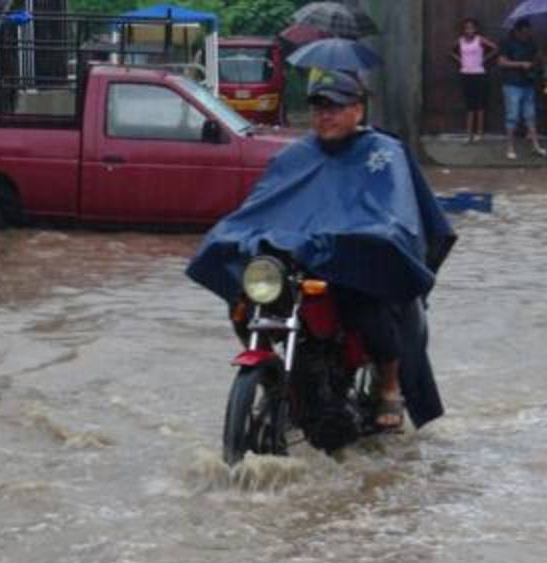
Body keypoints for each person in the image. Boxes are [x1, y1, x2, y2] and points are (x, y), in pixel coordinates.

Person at [186, 70, 457, 430]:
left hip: (355, 263)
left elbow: (396, 214)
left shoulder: (384, 153)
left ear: (358, 110)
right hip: (297, 259)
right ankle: (275, 380)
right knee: (242, 304)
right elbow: (265, 204)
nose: (325, 116)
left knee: (371, 310)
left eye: (335, 108)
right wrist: (236, 233)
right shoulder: (295, 156)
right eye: (318, 109)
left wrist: (370, 237)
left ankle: (389, 384)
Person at [498, 19, 547, 160]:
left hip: (528, 83)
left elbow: (537, 59)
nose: (527, 34)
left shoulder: (531, 42)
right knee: (512, 116)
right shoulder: (506, 42)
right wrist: (520, 64)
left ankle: (535, 146)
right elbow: (501, 62)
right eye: (524, 32)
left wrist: (539, 57)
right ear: (517, 31)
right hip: (512, 84)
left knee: (530, 116)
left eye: (528, 32)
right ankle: (510, 148)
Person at [451, 18, 498, 145]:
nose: (469, 30)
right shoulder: (460, 41)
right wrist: (460, 60)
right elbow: (451, 51)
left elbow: (495, 48)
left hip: (479, 74)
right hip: (466, 73)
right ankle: (469, 133)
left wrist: (484, 58)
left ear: (475, 29)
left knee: (480, 104)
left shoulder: (479, 39)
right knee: (469, 105)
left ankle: (479, 133)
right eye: (467, 28)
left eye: (471, 27)